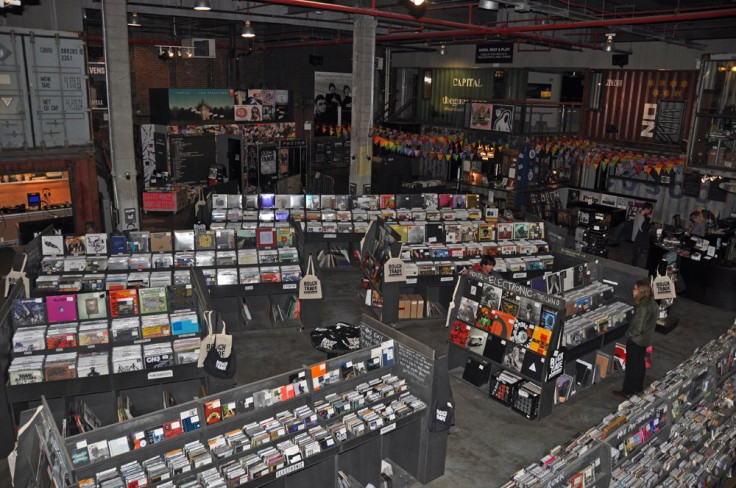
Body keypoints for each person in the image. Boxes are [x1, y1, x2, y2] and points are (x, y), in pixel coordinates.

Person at [613, 279, 657, 399]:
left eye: (635, 289)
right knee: (639, 365)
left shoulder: (643, 308)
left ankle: (627, 391)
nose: (633, 291)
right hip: (645, 340)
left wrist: (628, 334)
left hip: (636, 341)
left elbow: (638, 328)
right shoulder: (652, 302)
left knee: (632, 367)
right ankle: (637, 387)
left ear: (641, 292)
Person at [631, 202, 653, 267]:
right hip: (638, 237)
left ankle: (634, 265)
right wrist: (648, 220)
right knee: (636, 254)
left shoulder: (639, 214)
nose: (650, 211)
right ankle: (634, 266)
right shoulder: (641, 217)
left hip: (637, 237)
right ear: (646, 209)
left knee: (636, 253)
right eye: (649, 210)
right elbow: (642, 229)